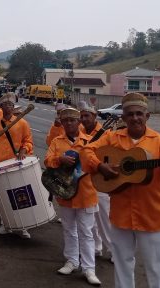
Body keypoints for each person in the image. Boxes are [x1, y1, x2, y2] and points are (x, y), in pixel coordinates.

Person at [82, 93, 160, 288]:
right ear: (123, 117)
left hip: (152, 216)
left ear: (147, 116)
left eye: (139, 113)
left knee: (158, 269)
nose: (135, 118)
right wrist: (99, 166)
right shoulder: (112, 138)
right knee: (122, 265)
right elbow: (86, 151)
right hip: (121, 215)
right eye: (130, 114)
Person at [44, 107, 101, 286]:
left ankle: (89, 268)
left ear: (79, 122)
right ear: (62, 122)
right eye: (65, 120)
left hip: (86, 193)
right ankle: (72, 261)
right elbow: (47, 160)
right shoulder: (57, 141)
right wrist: (59, 159)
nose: (69, 123)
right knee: (69, 229)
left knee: (86, 232)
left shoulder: (90, 141)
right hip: (65, 192)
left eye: (72, 120)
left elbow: (99, 164)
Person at [0, 92, 34, 238]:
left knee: (21, 194)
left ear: (13, 106)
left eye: (10, 104)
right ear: (1, 107)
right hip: (1, 164)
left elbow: (28, 141)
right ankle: (6, 223)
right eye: (5, 104)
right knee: (3, 196)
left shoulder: (22, 123)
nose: (8, 107)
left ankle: (23, 226)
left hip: (17, 163)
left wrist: (23, 149)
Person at [79, 104, 113, 261]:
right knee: (89, 220)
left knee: (104, 218)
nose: (84, 119)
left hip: (100, 179)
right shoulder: (78, 131)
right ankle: (96, 247)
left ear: (94, 116)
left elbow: (111, 156)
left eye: (87, 116)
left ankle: (113, 250)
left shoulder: (106, 133)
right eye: (82, 116)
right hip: (83, 180)